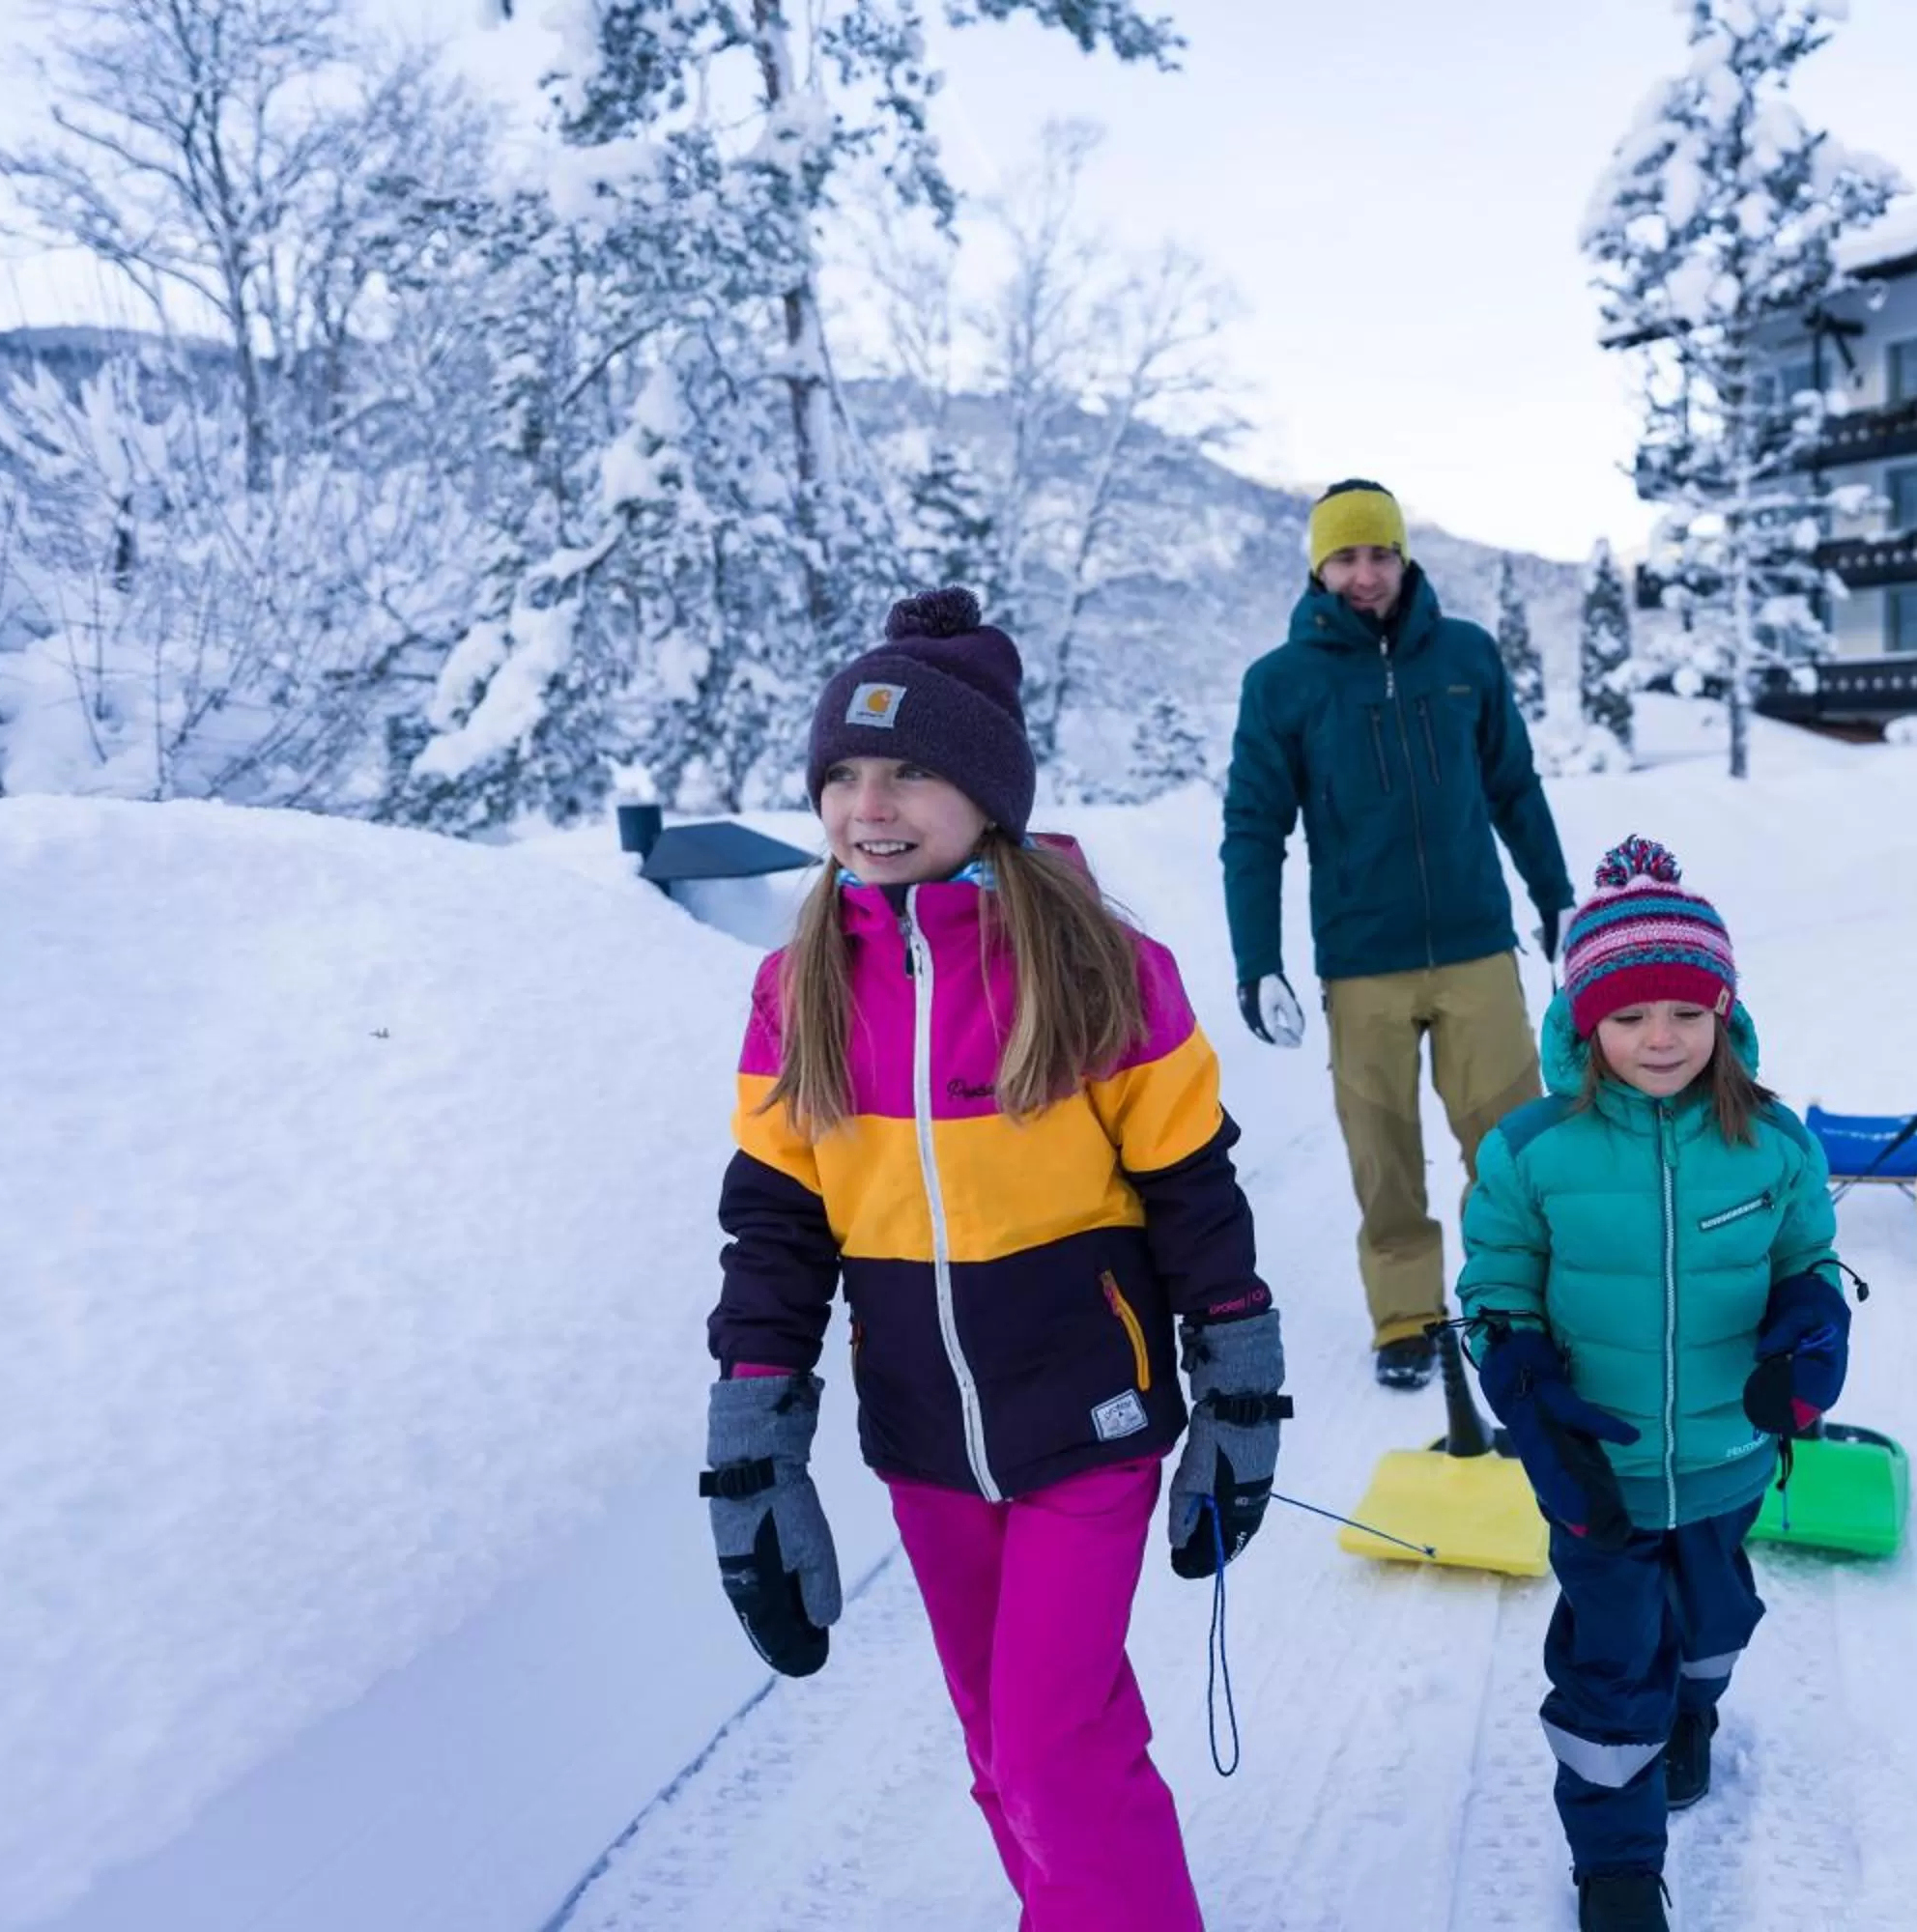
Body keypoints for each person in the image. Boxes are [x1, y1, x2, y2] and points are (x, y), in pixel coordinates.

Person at [701, 588, 1290, 1929]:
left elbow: (1193, 1190)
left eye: (911, 768)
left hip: (1089, 1421)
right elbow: (778, 1221)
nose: (871, 801)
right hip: (924, 1438)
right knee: (1004, 1745)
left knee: (1045, 1746)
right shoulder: (802, 985)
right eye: (843, 773)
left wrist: (1241, 1384)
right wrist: (754, 1441)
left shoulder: (1101, 968)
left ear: (987, 791)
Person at [1457, 837, 1848, 1932]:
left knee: (1715, 1621)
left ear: (1724, 1012)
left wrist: (1817, 1323)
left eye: (1684, 1010)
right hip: (1599, 1468)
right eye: (1629, 1016)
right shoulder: (1532, 1148)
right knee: (1610, 1657)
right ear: (1586, 1025)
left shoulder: (1769, 1140)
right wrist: (1523, 1378)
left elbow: (1808, 1261)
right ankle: (1617, 1862)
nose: (1659, 1036)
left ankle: (1695, 1708)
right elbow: (1496, 1284)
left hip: (1728, 1458)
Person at [1222, 477, 1576, 1390]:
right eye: (1346, 556)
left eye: (1380, 553)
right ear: (1318, 567)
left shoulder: (1465, 657)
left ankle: (1510, 1309)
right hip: (1362, 960)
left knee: (1508, 1148)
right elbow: (1255, 829)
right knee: (1383, 1160)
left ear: (1403, 557)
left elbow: (1514, 787)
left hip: (1476, 947)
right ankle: (1407, 1318)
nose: (1366, 573)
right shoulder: (1282, 683)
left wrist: (1557, 897)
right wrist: (1258, 962)